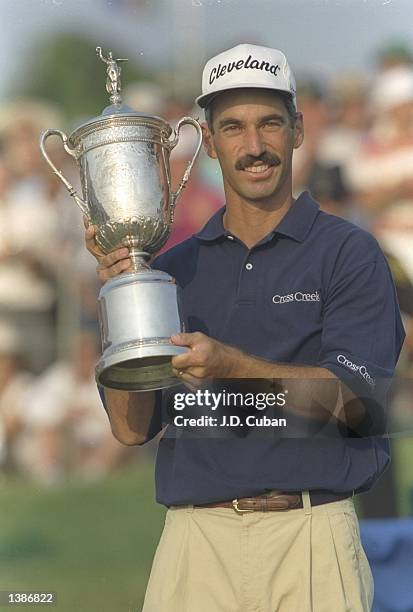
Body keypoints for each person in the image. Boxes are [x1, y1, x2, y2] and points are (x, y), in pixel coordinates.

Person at [85, 44, 405, 612]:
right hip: (194, 540)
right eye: (232, 127)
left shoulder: (349, 253)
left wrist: (233, 366)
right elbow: (133, 430)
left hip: (312, 535)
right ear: (207, 143)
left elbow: (359, 406)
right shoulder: (173, 270)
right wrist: (121, 294)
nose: (254, 147)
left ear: (298, 130)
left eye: (269, 125)